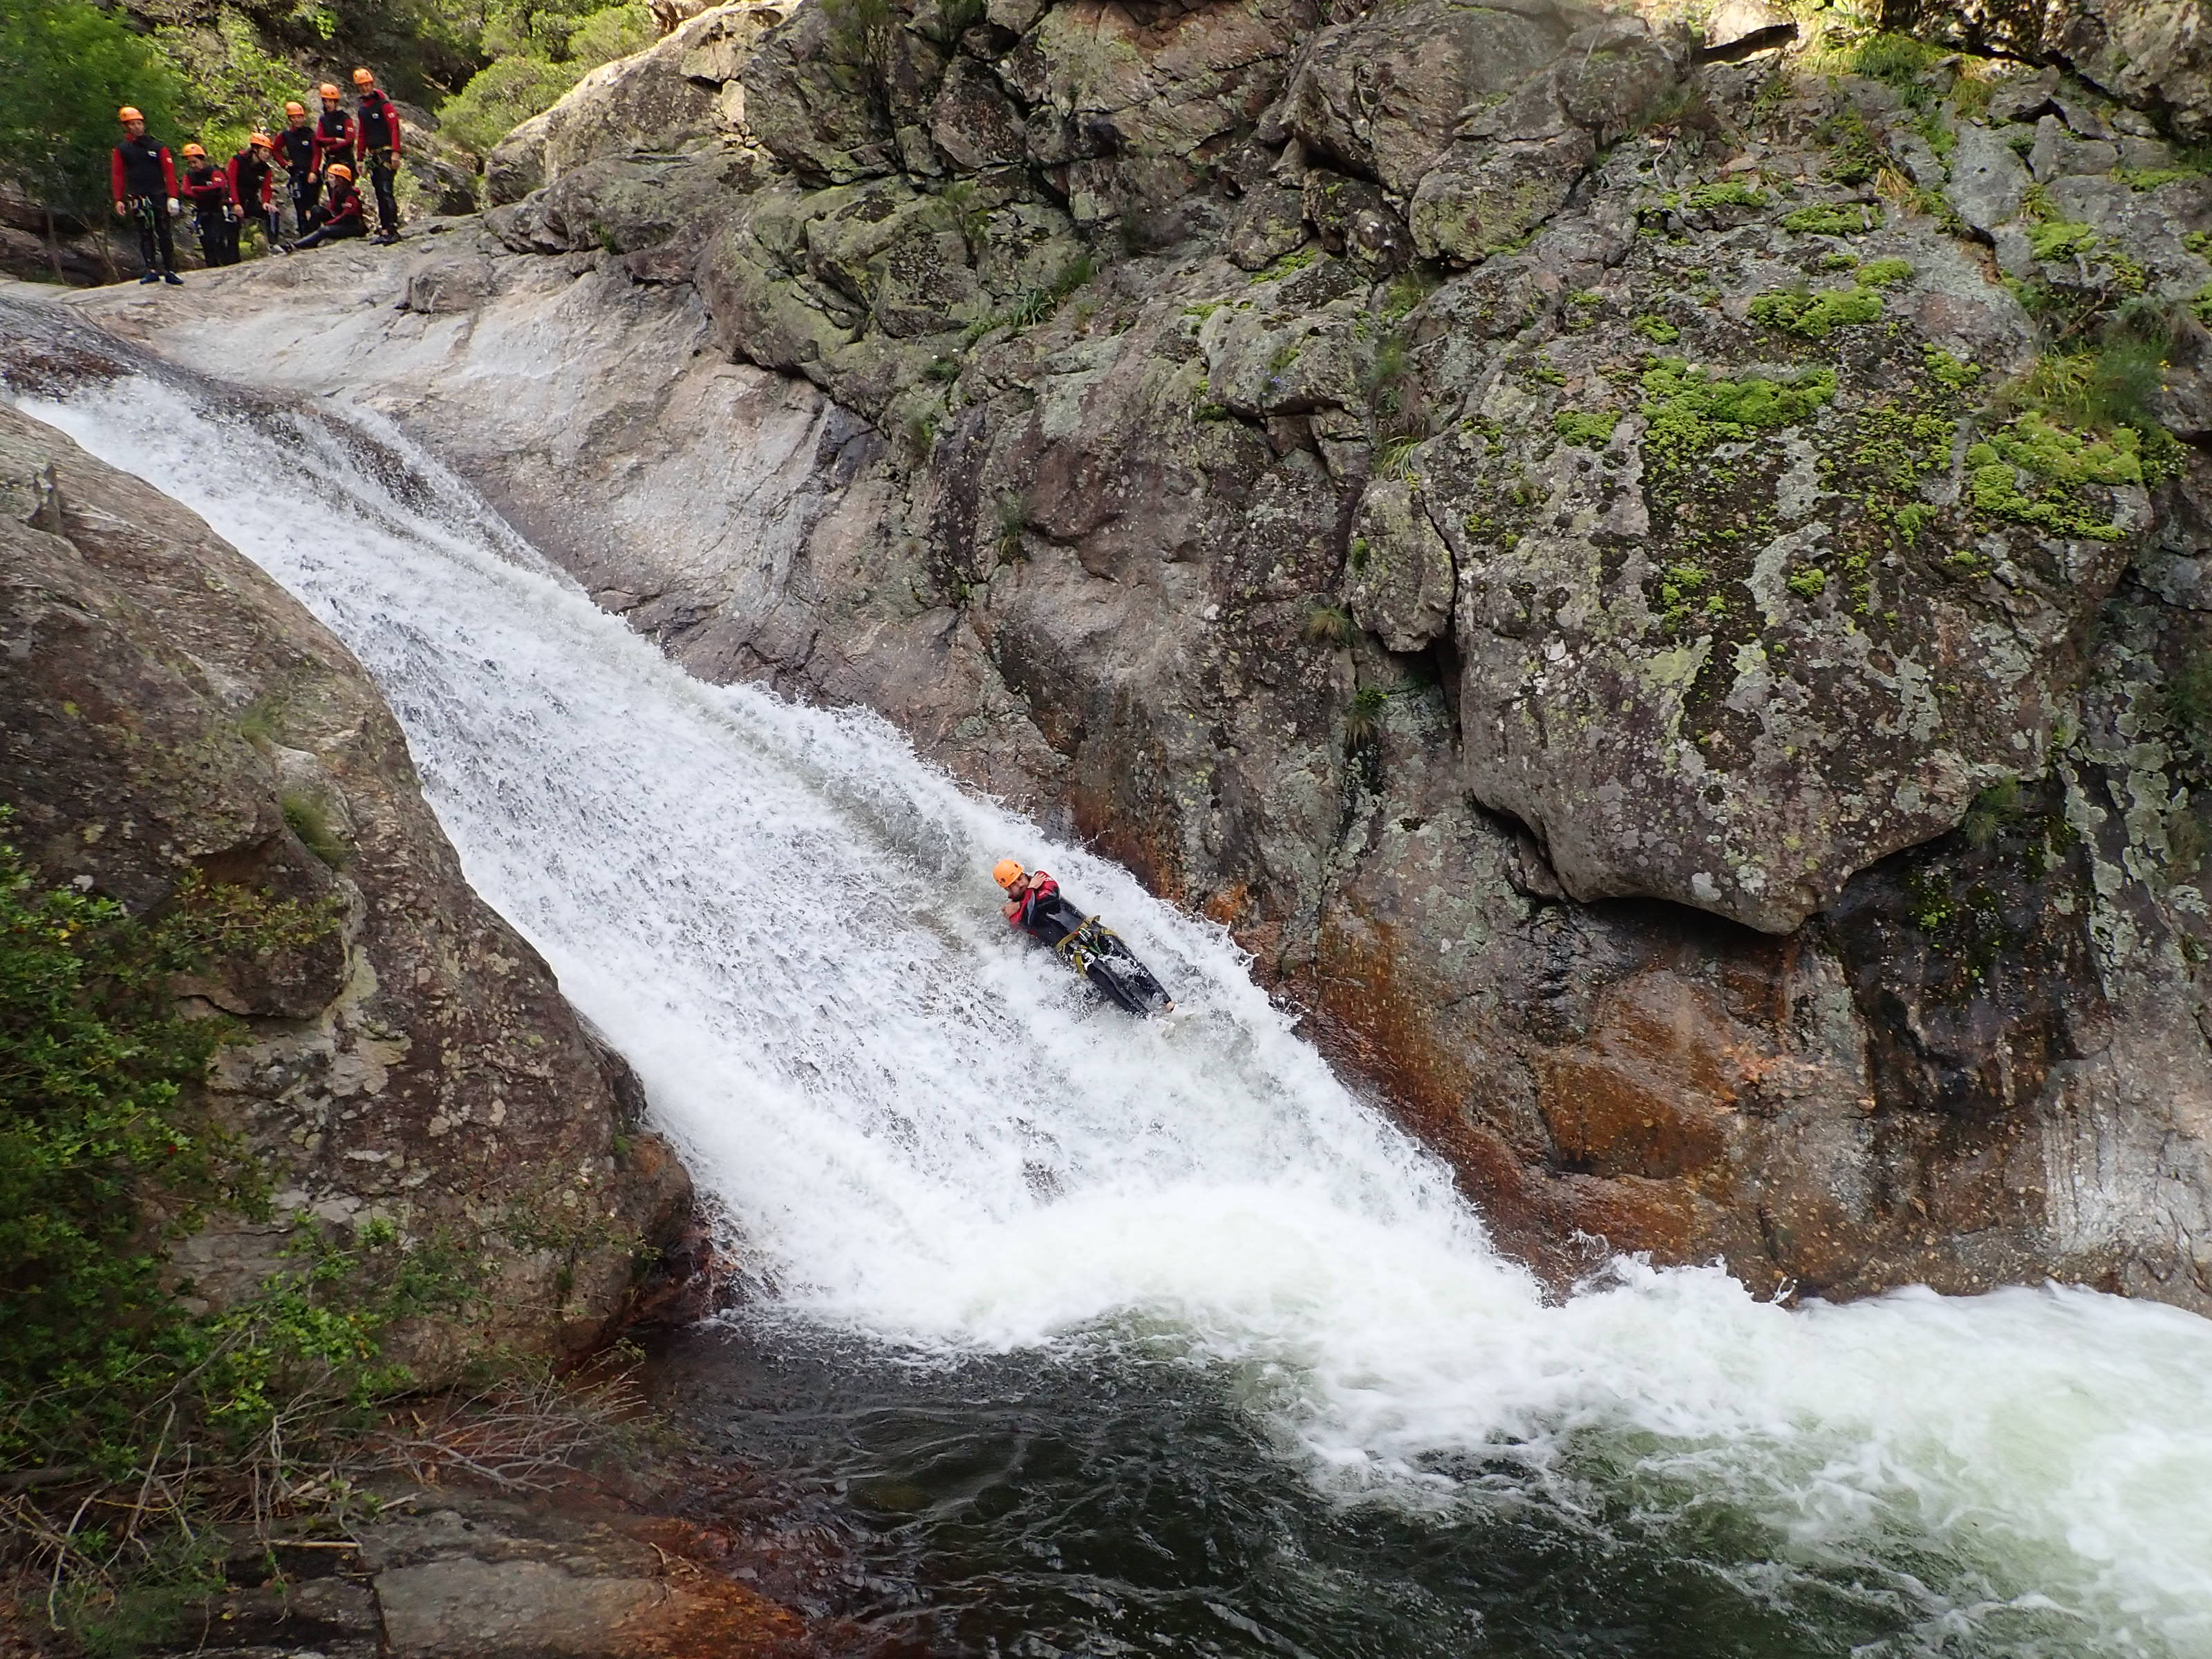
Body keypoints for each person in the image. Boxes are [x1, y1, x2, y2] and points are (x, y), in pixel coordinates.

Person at [109, 106, 181, 285]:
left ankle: (170, 270)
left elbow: (169, 173)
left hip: (159, 195)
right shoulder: (122, 149)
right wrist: (119, 199)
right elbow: (118, 174)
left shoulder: (157, 147)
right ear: (126, 127)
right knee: (145, 233)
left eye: (139, 123)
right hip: (138, 197)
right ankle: (151, 270)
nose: (137, 127)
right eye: (132, 124)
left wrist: (173, 196)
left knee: (164, 232)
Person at [350, 67, 402, 244]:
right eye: (361, 86)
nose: (365, 88)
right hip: (373, 156)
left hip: (386, 154)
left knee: (387, 191)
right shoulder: (363, 109)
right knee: (380, 192)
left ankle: (393, 229)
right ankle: (385, 229)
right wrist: (359, 158)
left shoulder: (383, 104)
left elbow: (394, 127)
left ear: (372, 84)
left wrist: (396, 152)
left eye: (367, 85)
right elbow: (362, 135)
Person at [994, 859, 1082, 946]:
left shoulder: (1040, 876)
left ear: (1024, 874)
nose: (1020, 885)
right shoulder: (1011, 912)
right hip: (1067, 949)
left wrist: (1022, 904)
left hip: (1084, 927)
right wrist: (1031, 891)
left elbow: (1052, 896)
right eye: (1014, 884)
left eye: (1020, 879)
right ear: (1007, 889)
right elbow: (1027, 921)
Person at [178, 142, 238, 267]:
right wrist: (204, 191)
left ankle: (225, 263)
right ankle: (212, 265)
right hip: (202, 212)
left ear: (202, 160)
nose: (192, 165)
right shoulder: (189, 175)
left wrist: (197, 190)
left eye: (194, 162)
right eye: (190, 163)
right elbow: (186, 191)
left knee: (218, 238)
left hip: (217, 211)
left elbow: (218, 189)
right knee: (206, 240)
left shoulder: (214, 172)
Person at [290, 162, 365, 249]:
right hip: (341, 220)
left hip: (353, 226)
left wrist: (329, 224)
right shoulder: (337, 191)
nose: (328, 180)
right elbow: (332, 209)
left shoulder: (350, 196)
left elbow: (346, 216)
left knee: (325, 230)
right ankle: (309, 239)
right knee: (316, 209)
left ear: (340, 180)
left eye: (331, 177)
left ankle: (295, 246)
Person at [228, 133, 282, 255]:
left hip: (251, 200)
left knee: (272, 212)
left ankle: (273, 244)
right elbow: (231, 182)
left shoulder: (266, 169)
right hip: (235, 199)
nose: (267, 154)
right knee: (232, 224)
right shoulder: (238, 161)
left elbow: (266, 188)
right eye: (264, 151)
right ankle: (232, 257)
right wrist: (236, 203)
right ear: (255, 150)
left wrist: (265, 203)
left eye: (268, 152)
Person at [276, 100, 317, 235]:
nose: (297, 120)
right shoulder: (286, 136)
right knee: (299, 205)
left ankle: (314, 231)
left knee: (312, 204)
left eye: (299, 117)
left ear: (303, 118)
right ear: (290, 119)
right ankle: (303, 233)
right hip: (296, 175)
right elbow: (275, 150)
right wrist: (284, 163)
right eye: (294, 117)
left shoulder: (309, 133)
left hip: (310, 174)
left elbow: (317, 153)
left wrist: (313, 171)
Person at [311, 83, 358, 182]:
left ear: (336, 102)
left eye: (331, 101)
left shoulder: (345, 118)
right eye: (325, 101)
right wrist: (336, 140)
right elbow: (319, 140)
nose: (328, 104)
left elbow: (350, 141)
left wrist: (330, 147)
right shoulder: (323, 119)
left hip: (345, 162)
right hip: (331, 162)